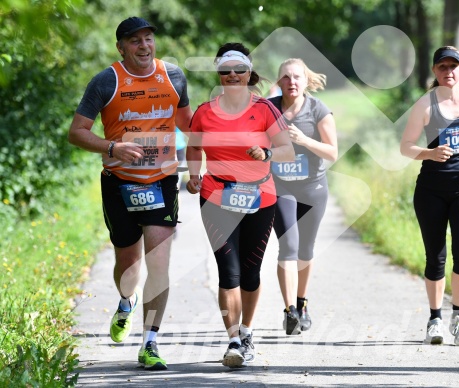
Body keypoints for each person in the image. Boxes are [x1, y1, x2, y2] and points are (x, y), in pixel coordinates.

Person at [68, 17, 192, 370]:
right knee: (128, 263)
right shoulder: (107, 80)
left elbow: (189, 123)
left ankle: (150, 342)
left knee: (159, 261)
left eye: (148, 39)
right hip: (119, 182)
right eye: (134, 41)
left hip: (162, 179)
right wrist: (112, 147)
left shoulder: (174, 76)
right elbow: (76, 132)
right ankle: (126, 301)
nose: (143, 46)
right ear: (121, 47)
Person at [185, 43, 294, 368]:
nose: (232, 75)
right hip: (217, 197)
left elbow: (287, 150)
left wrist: (267, 154)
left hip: (260, 198)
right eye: (225, 71)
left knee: (250, 272)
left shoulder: (264, 110)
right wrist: (194, 176)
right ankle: (233, 339)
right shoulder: (205, 111)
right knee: (228, 272)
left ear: (249, 74)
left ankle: (246, 330)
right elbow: (193, 148)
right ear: (219, 75)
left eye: (239, 70)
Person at [400, 46, 459, 346]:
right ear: (434, 71)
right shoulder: (425, 106)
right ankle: (435, 319)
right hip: (431, 190)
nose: (448, 71)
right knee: (435, 256)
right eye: (442, 66)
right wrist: (430, 152)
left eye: (454, 65)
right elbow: (406, 147)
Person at [268, 59, 338, 335]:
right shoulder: (269, 109)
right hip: (280, 186)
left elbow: (332, 152)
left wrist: (303, 140)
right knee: (289, 245)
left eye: (297, 77)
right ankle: (290, 312)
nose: (291, 82)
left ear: (306, 81)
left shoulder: (318, 109)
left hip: (312, 187)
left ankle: (302, 302)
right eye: (285, 77)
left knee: (306, 250)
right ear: (279, 82)